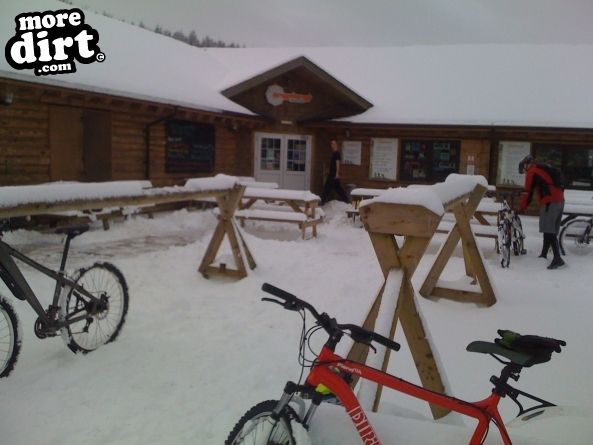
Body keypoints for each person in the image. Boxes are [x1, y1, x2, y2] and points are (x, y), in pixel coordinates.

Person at [518, 155, 566, 269]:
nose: (525, 173)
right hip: (560, 200)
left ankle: (557, 258)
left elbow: (528, 192)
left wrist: (522, 208)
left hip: (550, 201)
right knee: (549, 229)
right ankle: (544, 254)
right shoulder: (542, 168)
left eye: (523, 171)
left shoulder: (532, 171)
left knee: (549, 230)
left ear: (526, 165)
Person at [321, 139, 349, 205]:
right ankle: (346, 199)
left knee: (327, 187)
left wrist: (337, 173)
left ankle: (322, 201)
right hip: (332, 173)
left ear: (336, 144)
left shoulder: (337, 153)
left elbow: (337, 163)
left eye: (333, 144)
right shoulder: (333, 153)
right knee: (337, 188)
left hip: (333, 174)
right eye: (331, 144)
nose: (332, 145)